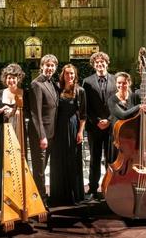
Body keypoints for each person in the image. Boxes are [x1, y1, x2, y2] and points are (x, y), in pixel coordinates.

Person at [49, 64, 86, 206]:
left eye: (72, 74)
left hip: (73, 127)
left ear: (75, 75)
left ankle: (74, 195)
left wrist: (80, 132)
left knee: (72, 161)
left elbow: (83, 114)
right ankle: (58, 195)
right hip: (58, 128)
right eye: (67, 74)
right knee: (58, 161)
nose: (69, 76)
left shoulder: (80, 91)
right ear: (63, 75)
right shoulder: (57, 89)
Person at [0, 63, 27, 210]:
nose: (11, 81)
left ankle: (19, 194)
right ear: (5, 79)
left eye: (13, 78)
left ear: (18, 78)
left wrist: (17, 112)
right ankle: (2, 197)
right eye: (8, 78)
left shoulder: (23, 93)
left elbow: (29, 112)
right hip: (2, 130)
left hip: (18, 131)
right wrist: (0, 110)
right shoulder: (0, 94)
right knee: (3, 163)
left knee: (18, 162)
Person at [82, 52, 116, 201]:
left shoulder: (116, 80)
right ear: (94, 65)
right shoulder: (87, 82)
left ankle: (110, 187)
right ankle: (93, 189)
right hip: (94, 127)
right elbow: (85, 106)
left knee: (111, 158)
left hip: (111, 126)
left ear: (107, 64)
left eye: (102, 63)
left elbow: (119, 102)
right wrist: (96, 120)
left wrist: (109, 120)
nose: (100, 65)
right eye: (97, 63)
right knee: (94, 159)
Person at [27, 54, 59, 200]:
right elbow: (35, 113)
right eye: (47, 65)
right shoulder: (36, 84)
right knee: (39, 170)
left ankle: (38, 196)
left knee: (44, 167)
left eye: (52, 66)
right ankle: (39, 199)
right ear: (42, 66)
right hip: (41, 135)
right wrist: (42, 136)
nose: (50, 68)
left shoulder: (52, 83)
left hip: (51, 133)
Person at [107, 72, 136, 162]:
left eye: (124, 83)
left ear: (129, 83)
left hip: (131, 135)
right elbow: (122, 115)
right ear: (116, 84)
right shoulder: (112, 99)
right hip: (117, 136)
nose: (121, 85)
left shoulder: (134, 97)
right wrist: (139, 107)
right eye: (119, 83)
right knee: (117, 161)